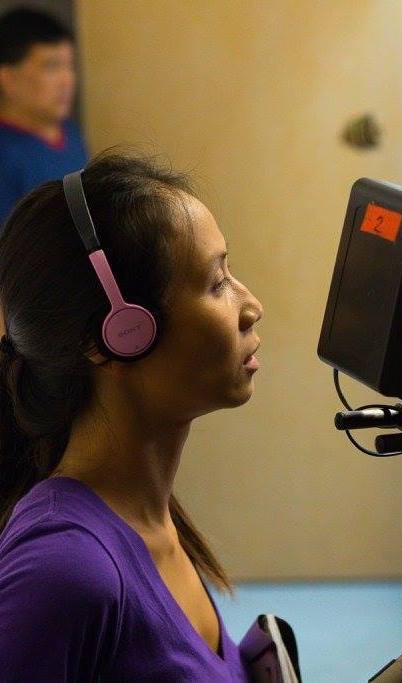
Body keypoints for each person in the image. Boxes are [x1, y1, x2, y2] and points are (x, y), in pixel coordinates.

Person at [0, 152, 263, 680]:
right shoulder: (66, 569)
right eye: (216, 283)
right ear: (119, 334)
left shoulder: (148, 516)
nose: (251, 306)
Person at [0, 8, 87, 226]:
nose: (67, 80)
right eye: (51, 66)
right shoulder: (7, 154)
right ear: (8, 78)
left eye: (69, 66)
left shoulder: (69, 132)